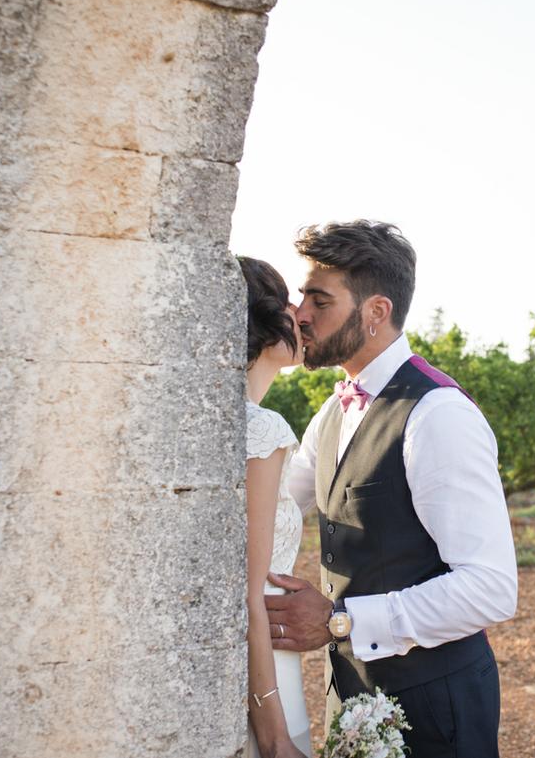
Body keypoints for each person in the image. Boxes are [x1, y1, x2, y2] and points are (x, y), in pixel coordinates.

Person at [264, 221, 518, 757]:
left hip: (434, 710)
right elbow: (275, 505)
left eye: (319, 300)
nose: (300, 315)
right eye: (300, 296)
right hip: (351, 696)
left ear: (376, 312)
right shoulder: (331, 413)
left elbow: (490, 588)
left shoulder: (438, 415)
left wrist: (340, 621)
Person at [239, 256, 312, 758]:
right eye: (287, 300)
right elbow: (248, 589)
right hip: (266, 672)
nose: (300, 313)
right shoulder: (263, 429)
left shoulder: (231, 419)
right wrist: (274, 733)